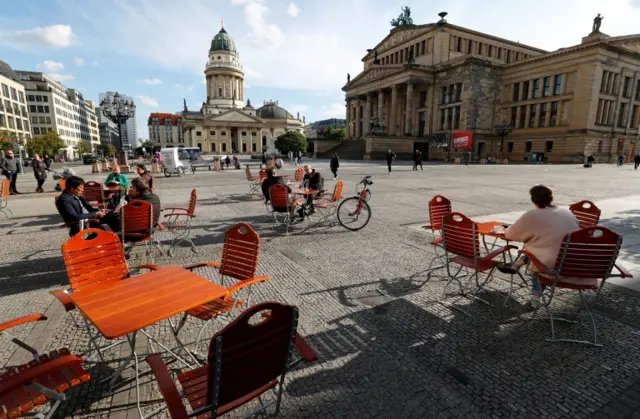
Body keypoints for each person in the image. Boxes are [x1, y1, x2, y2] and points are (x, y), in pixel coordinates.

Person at [502, 185, 579, 308]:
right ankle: (518, 263)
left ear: (533, 200)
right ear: (551, 198)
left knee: (535, 255)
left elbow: (511, 235)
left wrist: (508, 229)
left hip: (550, 264)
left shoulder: (532, 215)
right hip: (572, 261)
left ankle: (535, 296)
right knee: (541, 246)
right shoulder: (567, 212)